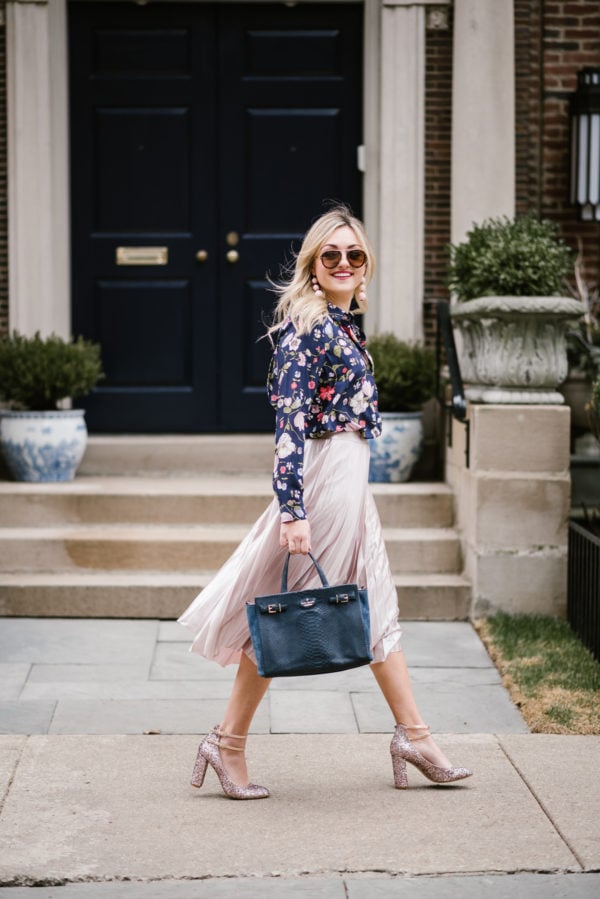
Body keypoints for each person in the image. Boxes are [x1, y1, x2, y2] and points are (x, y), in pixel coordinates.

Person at [178, 205, 472, 799]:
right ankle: (227, 742)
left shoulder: (341, 325)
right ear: (313, 265)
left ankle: (414, 735)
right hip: (324, 479)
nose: (342, 263)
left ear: (366, 268)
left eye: (353, 255)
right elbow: (287, 424)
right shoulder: (307, 329)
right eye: (330, 255)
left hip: (348, 476)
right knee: (290, 608)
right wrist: (292, 511)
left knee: (375, 604)